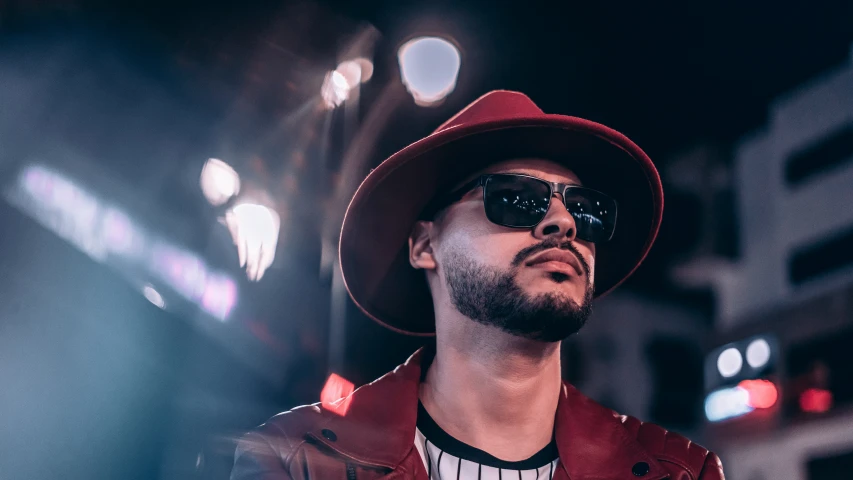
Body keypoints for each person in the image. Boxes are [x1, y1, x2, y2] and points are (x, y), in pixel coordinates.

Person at [231, 91, 725, 480]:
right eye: (515, 198)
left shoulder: (678, 473)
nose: (563, 221)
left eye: (585, 209)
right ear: (425, 246)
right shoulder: (294, 461)